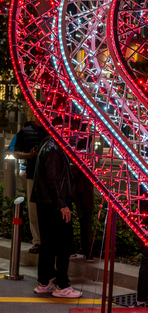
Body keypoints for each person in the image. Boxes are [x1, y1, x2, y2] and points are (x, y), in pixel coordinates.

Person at [31, 132, 82, 298]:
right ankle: (62, 285)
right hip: (55, 204)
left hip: (47, 202)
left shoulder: (49, 144)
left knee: (48, 245)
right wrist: (63, 206)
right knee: (63, 245)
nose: (75, 136)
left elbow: (56, 175)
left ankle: (44, 282)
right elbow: (53, 179)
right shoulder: (54, 149)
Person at [14, 108, 48, 253]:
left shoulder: (50, 131)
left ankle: (46, 240)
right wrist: (29, 155)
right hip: (33, 174)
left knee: (48, 209)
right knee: (33, 209)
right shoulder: (25, 131)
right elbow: (16, 153)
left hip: (49, 176)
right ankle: (38, 241)